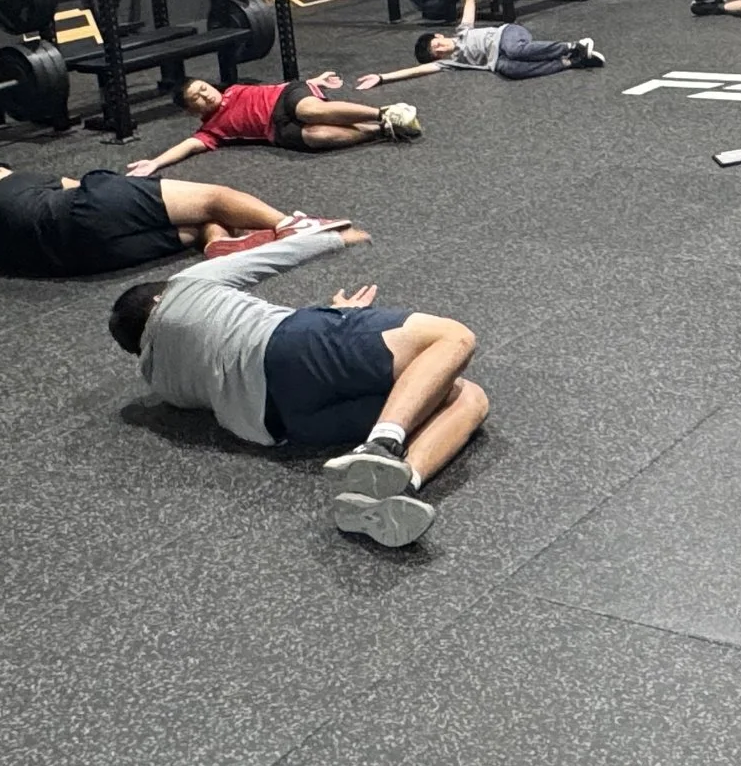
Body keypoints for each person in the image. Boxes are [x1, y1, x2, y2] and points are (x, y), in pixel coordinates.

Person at [108, 223, 487, 548]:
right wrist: (334, 239)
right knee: (452, 338)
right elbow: (271, 256)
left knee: (461, 395)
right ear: (159, 296)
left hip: (280, 424)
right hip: (285, 344)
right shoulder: (184, 285)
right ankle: (382, 444)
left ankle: (395, 493)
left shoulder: (161, 382)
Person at [0, 162, 343, 276]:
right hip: (82, 207)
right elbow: (76, 186)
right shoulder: (11, 185)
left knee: (191, 226)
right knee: (213, 196)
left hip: (87, 262)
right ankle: (291, 225)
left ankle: (214, 241)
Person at [355, 0, 603, 88]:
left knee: (515, 52)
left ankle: (573, 46)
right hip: (497, 60)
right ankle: (571, 62)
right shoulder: (450, 63)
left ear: (440, 36)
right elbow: (414, 71)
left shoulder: (463, 30)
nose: (440, 50)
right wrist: (381, 77)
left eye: (436, 45)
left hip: (507, 35)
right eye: (436, 53)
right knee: (509, 70)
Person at [124, 77, 421, 175]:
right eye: (197, 98)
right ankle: (382, 129)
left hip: (286, 98)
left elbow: (277, 85)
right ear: (192, 111)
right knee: (315, 136)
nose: (205, 94)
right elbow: (188, 146)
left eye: (203, 88)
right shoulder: (211, 130)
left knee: (310, 110)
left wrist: (313, 81)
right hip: (275, 132)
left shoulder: (234, 89)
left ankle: (385, 112)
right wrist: (154, 163)